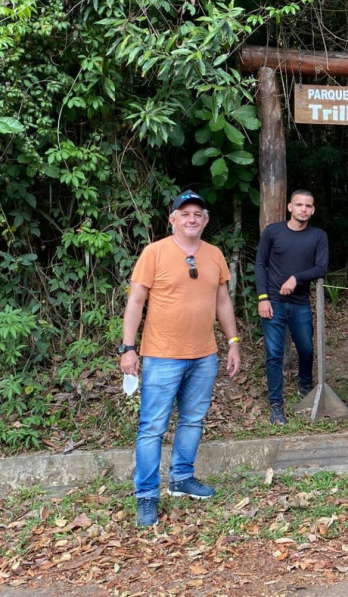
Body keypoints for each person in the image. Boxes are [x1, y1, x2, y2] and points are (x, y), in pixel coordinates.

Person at [120, 190, 242, 528]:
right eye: (184, 213)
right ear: (172, 219)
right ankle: (146, 496)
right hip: (161, 355)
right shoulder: (154, 253)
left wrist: (233, 342)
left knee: (192, 420)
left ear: (205, 221)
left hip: (204, 355)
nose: (191, 218)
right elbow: (136, 302)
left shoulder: (214, 254)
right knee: (152, 428)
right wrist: (127, 348)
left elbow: (222, 302)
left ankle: (182, 478)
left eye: (197, 214)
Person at [255, 189, 329, 426]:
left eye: (308, 206)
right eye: (299, 205)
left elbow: (321, 267)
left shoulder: (318, 236)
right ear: (290, 207)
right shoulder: (273, 232)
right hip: (273, 302)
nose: (303, 210)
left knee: (306, 349)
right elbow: (259, 264)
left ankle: (305, 385)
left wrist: (297, 278)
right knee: (274, 354)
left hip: (299, 303)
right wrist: (263, 297)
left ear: (313, 210)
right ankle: (276, 404)